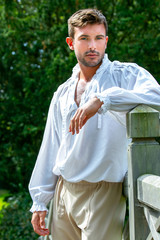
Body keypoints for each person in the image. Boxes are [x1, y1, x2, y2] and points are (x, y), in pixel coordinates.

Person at [29, 8, 160, 240]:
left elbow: (156, 96)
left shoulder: (125, 75)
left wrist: (104, 99)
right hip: (63, 192)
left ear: (106, 41)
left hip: (104, 192)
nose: (93, 46)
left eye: (99, 38)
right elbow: (51, 146)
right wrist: (39, 201)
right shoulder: (62, 92)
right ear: (71, 43)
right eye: (85, 38)